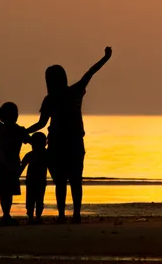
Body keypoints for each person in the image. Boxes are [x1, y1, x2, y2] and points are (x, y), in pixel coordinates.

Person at [27, 46, 112, 223]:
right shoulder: (72, 92)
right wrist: (105, 58)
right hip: (71, 142)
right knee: (74, 180)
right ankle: (75, 214)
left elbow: (41, 124)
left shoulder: (53, 98)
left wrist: (25, 132)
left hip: (60, 143)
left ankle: (63, 215)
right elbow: (90, 73)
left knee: (62, 182)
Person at [0, 101, 31, 225]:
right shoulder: (19, 130)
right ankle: (6, 215)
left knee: (3, 191)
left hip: (1, 163)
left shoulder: (0, 127)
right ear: (16, 115)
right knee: (8, 191)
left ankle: (6, 214)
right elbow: (30, 140)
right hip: (11, 164)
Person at [20, 132, 48, 224]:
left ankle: (32, 217)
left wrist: (15, 175)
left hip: (32, 180)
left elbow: (21, 167)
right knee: (39, 199)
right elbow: (52, 167)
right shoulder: (46, 154)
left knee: (31, 199)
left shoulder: (30, 155)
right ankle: (37, 217)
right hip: (40, 181)